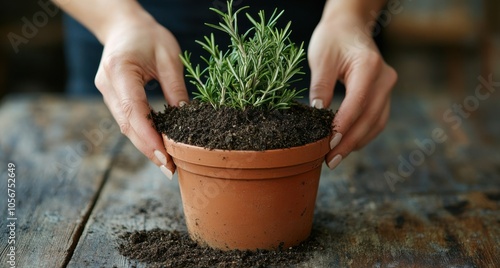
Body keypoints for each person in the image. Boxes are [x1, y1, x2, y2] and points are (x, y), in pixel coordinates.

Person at [55, 0, 397, 179]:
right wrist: (117, 21)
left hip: (314, 31)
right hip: (128, 27)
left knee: (306, 109)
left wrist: (352, 14)